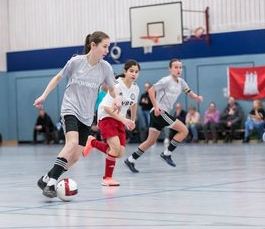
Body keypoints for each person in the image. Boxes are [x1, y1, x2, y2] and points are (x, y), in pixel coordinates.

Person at [34, 31, 121, 198]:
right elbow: (58, 78)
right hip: (70, 109)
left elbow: (112, 87)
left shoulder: (105, 68)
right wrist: (43, 95)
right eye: (104, 46)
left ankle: (45, 178)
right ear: (93, 45)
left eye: (108, 47)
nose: (107, 50)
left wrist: (117, 97)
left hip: (87, 116)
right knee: (71, 143)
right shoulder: (76, 62)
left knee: (74, 158)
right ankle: (51, 183)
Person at [124, 58, 203, 172]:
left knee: (150, 141)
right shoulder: (166, 80)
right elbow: (151, 90)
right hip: (159, 112)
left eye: (180, 67)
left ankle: (131, 160)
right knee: (184, 130)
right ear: (170, 69)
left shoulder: (181, 82)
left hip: (157, 114)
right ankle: (167, 153)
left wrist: (196, 97)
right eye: (175, 67)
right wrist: (156, 106)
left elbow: (188, 92)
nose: (178, 69)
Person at [82, 60, 140, 186]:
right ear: (125, 72)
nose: (134, 74)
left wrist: (133, 120)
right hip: (106, 116)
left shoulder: (135, 88)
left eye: (136, 72)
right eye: (131, 71)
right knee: (114, 148)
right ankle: (107, 178)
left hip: (119, 119)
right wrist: (124, 120)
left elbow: (134, 105)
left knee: (119, 153)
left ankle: (92, 142)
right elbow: (107, 108)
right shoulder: (116, 86)